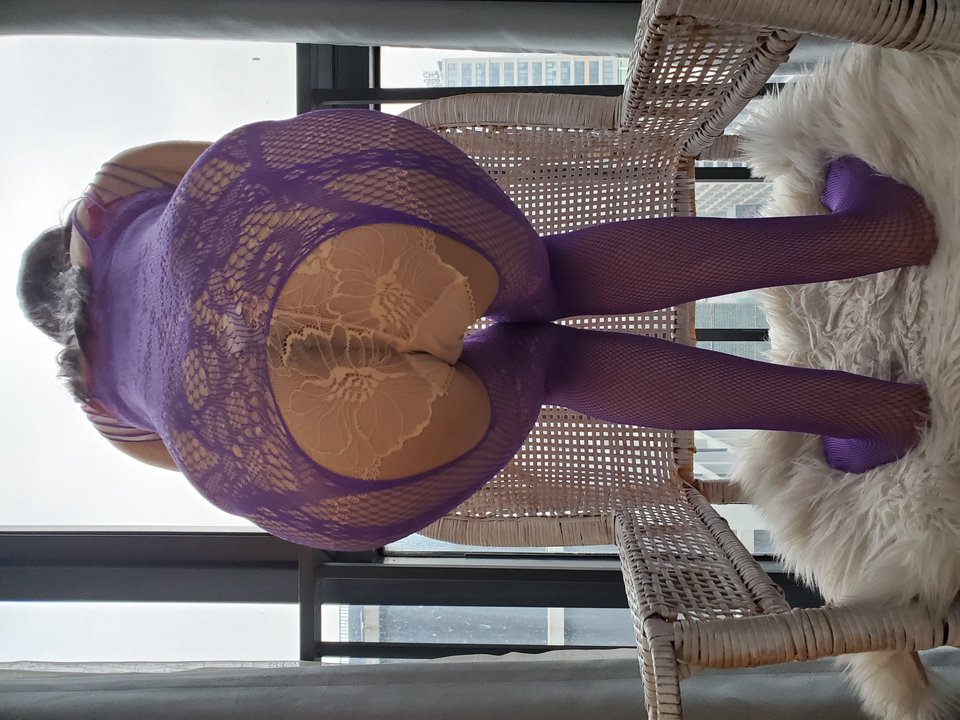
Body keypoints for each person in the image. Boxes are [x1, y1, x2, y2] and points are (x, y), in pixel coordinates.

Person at [17, 109, 937, 550]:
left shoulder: (101, 409)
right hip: (335, 253)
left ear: (63, 341)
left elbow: (176, 454)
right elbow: (235, 178)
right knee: (551, 279)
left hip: (306, 457)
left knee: (545, 366)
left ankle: (869, 413)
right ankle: (877, 235)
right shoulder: (105, 198)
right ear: (67, 251)